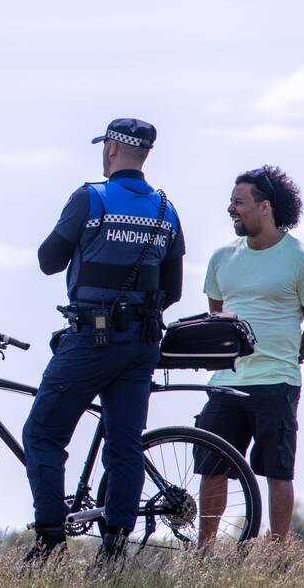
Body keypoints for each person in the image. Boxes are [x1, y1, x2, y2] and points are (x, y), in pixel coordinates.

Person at [22, 118, 185, 564]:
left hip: (91, 339)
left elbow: (47, 261)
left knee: (42, 434)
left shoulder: (89, 198)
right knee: (125, 443)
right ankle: (113, 551)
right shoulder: (166, 209)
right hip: (142, 343)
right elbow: (173, 289)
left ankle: (51, 543)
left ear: (111, 149)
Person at [196, 166, 304, 543]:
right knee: (212, 467)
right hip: (226, 382)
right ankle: (204, 551)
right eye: (231, 202)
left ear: (265, 207)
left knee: (278, 471)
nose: (231, 209)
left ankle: (276, 553)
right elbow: (218, 319)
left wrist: (289, 358)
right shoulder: (221, 258)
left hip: (277, 383)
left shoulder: (303, 260)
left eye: (239, 202)